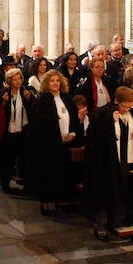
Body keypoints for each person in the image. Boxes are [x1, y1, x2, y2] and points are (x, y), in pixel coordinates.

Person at [85, 87, 133, 240]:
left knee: (126, 190)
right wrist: (109, 121)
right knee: (108, 192)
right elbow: (96, 137)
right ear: (117, 101)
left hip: (130, 160)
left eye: (129, 106)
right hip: (109, 163)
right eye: (124, 105)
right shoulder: (103, 114)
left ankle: (123, 220)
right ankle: (102, 224)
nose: (126, 109)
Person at [29, 69, 81, 215]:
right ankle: (47, 201)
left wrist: (73, 133)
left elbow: (75, 120)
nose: (55, 83)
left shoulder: (67, 98)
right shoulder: (41, 100)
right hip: (49, 146)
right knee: (49, 174)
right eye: (52, 81)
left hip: (67, 143)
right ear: (46, 83)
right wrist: (56, 137)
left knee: (65, 173)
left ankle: (63, 201)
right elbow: (38, 126)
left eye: (57, 81)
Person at [0, 67, 34, 193]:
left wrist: (30, 99)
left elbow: (33, 110)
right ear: (9, 81)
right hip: (7, 133)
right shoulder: (3, 93)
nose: (18, 82)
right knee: (6, 160)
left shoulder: (26, 92)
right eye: (14, 79)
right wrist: (3, 103)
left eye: (19, 79)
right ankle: (5, 183)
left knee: (25, 158)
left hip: (23, 131)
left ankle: (26, 183)